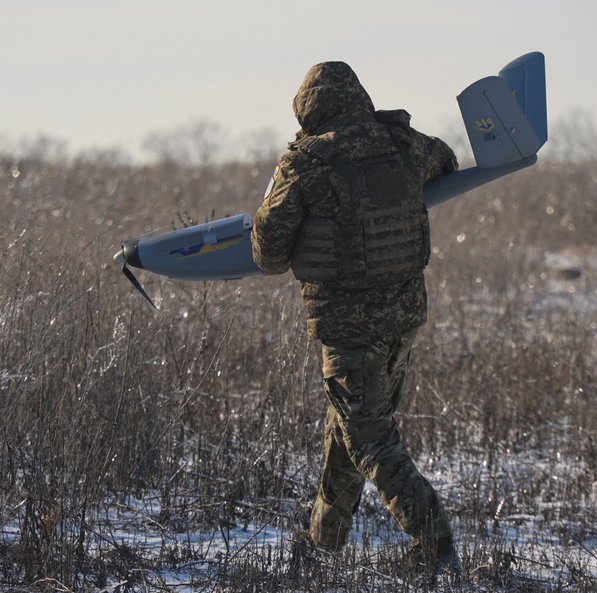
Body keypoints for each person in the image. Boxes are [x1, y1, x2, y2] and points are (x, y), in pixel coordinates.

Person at [251, 61, 460, 575]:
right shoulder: (405, 145)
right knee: (348, 428)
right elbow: (449, 161)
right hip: (403, 319)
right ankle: (323, 543)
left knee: (367, 437)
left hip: (347, 327)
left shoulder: (305, 162)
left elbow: (268, 253)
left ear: (308, 109)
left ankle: (434, 546)